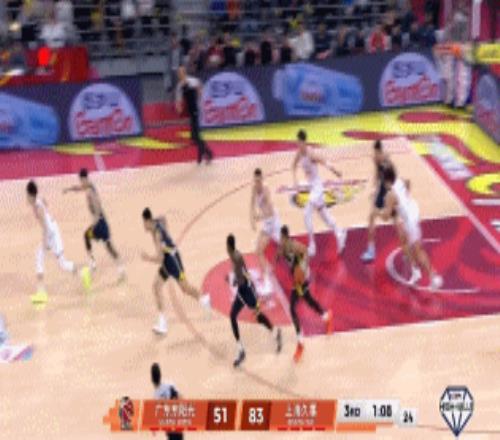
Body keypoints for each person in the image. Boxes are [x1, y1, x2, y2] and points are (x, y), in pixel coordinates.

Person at [141, 208, 211, 335]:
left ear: (147, 221)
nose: (143, 226)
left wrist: (147, 258)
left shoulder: (157, 235)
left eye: (143, 223)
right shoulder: (157, 222)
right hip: (168, 260)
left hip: (173, 262)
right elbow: (163, 218)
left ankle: (204, 299)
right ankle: (162, 324)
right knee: (156, 287)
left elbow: (159, 258)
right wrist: (167, 238)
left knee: (185, 288)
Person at [26, 181, 89, 304]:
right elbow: (45, 204)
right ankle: (41, 292)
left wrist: (45, 242)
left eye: (27, 195)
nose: (26, 198)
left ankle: (83, 273)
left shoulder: (38, 208)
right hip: (52, 231)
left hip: (52, 235)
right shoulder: (38, 201)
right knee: (40, 256)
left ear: (30, 195)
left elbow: (45, 227)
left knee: (62, 264)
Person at [381, 166, 443, 289]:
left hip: (410, 220)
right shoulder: (400, 181)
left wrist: (380, 212)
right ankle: (415, 271)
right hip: (413, 209)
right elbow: (408, 183)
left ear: (386, 180)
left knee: (418, 250)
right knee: (403, 240)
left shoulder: (390, 195)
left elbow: (386, 217)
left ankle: (434, 277)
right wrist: (405, 198)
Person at [277, 226, 333, 363]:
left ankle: (300, 342)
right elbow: (280, 254)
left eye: (281, 238)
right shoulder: (283, 246)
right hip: (296, 278)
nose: (280, 240)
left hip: (302, 276)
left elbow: (306, 252)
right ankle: (326, 317)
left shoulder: (294, 245)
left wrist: (302, 270)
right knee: (308, 300)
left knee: (292, 308)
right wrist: (277, 256)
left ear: (285, 237)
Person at [226, 234, 282, 368]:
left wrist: (245, 281)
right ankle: (241, 350)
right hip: (242, 291)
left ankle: (275, 333)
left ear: (228, 246)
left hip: (247, 291)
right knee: (232, 316)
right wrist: (235, 280)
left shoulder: (236, 257)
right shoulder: (234, 255)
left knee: (258, 317)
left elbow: (243, 273)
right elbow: (240, 272)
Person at [292, 129, 347, 257]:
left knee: (306, 213)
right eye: (297, 143)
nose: (298, 145)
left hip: (317, 188)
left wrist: (336, 171)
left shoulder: (311, 153)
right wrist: (295, 181)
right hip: (312, 188)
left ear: (304, 142)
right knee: (325, 217)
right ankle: (340, 232)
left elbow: (324, 162)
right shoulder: (299, 154)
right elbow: (293, 166)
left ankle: (312, 246)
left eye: (300, 143)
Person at [63, 168, 125, 280]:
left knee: (88, 236)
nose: (81, 183)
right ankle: (120, 268)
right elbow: (79, 188)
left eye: (81, 180)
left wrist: (94, 224)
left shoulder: (91, 192)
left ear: (84, 179)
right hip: (102, 222)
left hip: (99, 223)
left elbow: (97, 208)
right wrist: (69, 189)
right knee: (107, 245)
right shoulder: (89, 186)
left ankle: (93, 263)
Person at [361, 140, 393, 262]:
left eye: (376, 153)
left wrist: (390, 197)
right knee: (371, 217)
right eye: (374, 153)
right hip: (382, 190)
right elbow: (377, 174)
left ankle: (408, 244)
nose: (374, 155)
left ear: (380, 152)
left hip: (390, 191)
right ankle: (371, 250)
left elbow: (392, 181)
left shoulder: (387, 163)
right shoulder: (375, 159)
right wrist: (375, 190)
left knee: (393, 220)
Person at [250, 168, 281, 293]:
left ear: (262, 180)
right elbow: (251, 205)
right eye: (255, 180)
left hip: (272, 221)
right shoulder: (254, 189)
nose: (257, 183)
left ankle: (268, 284)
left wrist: (259, 217)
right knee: (258, 250)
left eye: (259, 181)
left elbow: (270, 212)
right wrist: (252, 220)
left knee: (260, 251)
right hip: (266, 222)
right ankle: (268, 270)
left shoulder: (266, 191)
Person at [176, 66, 214, 165]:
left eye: (181, 72)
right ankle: (202, 152)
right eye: (178, 73)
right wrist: (179, 108)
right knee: (194, 136)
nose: (180, 74)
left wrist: (200, 94)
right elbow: (179, 99)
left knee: (195, 135)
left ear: (184, 72)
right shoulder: (179, 86)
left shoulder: (192, 81)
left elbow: (200, 86)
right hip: (190, 111)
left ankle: (208, 153)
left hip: (196, 110)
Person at [151, 363, 183, 440]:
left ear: (152, 379)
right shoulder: (169, 385)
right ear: (160, 375)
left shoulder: (156, 395)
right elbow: (180, 398)